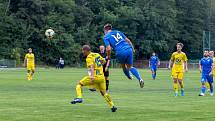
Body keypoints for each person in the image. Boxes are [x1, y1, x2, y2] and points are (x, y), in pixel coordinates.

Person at [70, 45, 117, 112]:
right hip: (101, 77)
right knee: (104, 93)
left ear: (86, 50)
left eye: (83, 50)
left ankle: (79, 97)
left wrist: (91, 76)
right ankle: (112, 106)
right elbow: (104, 62)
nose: (82, 52)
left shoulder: (89, 57)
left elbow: (91, 67)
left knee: (79, 84)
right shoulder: (96, 54)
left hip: (94, 77)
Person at [103, 23, 144, 88]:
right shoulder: (118, 32)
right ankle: (140, 78)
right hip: (128, 49)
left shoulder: (106, 37)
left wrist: (108, 56)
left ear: (105, 30)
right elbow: (128, 40)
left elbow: (108, 49)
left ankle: (129, 76)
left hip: (120, 52)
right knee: (130, 67)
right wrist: (133, 49)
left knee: (123, 66)